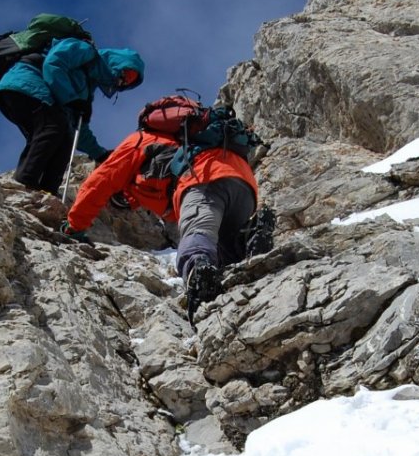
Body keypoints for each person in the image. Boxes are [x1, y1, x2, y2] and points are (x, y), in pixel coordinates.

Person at [63, 126, 274, 318]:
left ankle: (198, 274)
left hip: (205, 177)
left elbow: (98, 183)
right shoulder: (180, 141)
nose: (124, 203)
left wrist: (74, 226)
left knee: (196, 234)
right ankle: (247, 237)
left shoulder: (137, 141)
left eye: (120, 199)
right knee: (225, 251)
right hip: (244, 185)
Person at [0, 38, 144, 195]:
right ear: (117, 61)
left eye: (130, 82)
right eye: (128, 73)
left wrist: (100, 153)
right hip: (26, 83)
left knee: (65, 140)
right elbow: (53, 63)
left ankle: (47, 192)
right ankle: (25, 181)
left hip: (26, 95)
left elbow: (78, 126)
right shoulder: (86, 51)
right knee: (53, 127)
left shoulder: (87, 88)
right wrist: (71, 99)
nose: (125, 80)